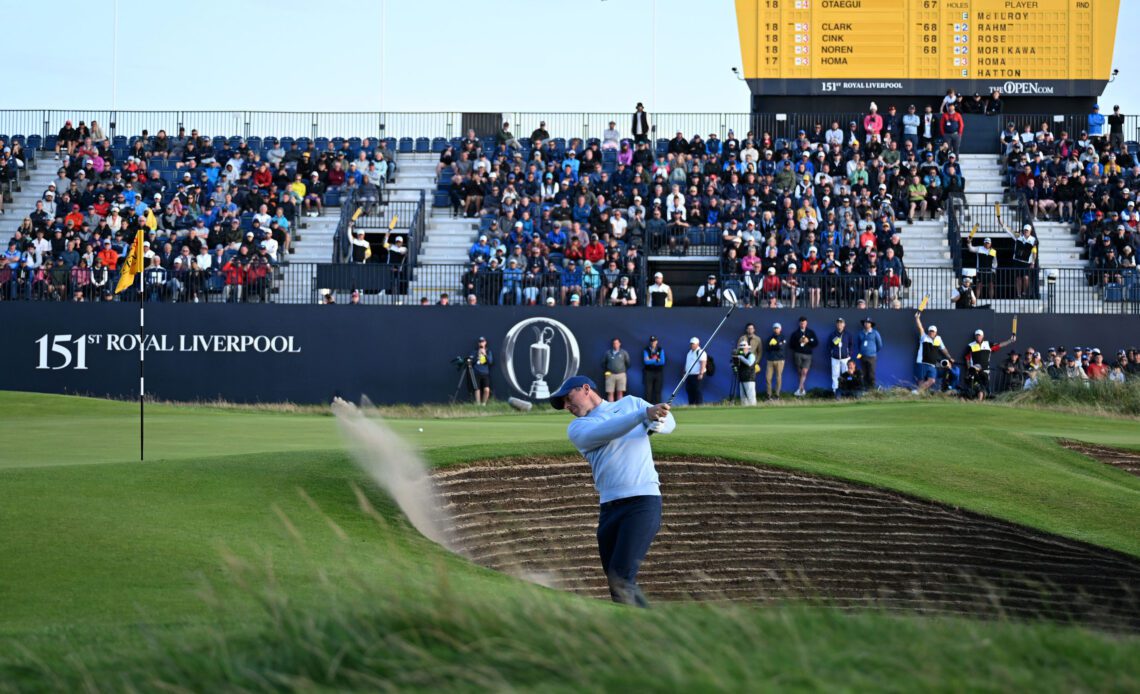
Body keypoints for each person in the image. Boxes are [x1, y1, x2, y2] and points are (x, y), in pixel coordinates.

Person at [549, 375, 675, 607]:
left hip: (643, 502)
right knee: (617, 582)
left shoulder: (631, 403)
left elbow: (669, 422)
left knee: (622, 578)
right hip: (609, 509)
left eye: (568, 399)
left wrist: (658, 423)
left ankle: (651, 633)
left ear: (586, 389)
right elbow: (607, 431)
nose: (566, 406)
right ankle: (639, 630)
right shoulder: (578, 427)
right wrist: (644, 416)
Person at [961, 329, 1016, 399]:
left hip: (985, 371)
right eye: (977, 336)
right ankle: (972, 399)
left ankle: (985, 398)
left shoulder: (988, 344)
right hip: (974, 371)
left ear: (983, 336)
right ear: (975, 336)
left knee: (985, 386)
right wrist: (969, 370)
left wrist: (1010, 341)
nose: (978, 337)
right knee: (973, 387)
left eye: (979, 335)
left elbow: (999, 345)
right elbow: (967, 358)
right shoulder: (971, 345)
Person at [913, 313, 953, 394]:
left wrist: (949, 357)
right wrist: (917, 318)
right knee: (921, 381)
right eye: (930, 331)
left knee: (932, 380)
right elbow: (920, 327)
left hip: (932, 365)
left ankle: (917, 392)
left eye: (933, 331)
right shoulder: (924, 337)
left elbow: (943, 349)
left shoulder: (938, 339)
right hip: (922, 362)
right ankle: (919, 396)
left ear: (936, 332)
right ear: (928, 332)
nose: (931, 332)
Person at [826, 317, 856, 394]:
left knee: (846, 374)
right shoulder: (833, 335)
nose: (839, 324)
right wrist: (832, 352)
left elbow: (851, 345)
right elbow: (829, 345)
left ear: (844, 324)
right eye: (838, 323)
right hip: (835, 358)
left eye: (841, 322)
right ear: (836, 324)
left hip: (845, 358)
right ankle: (835, 391)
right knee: (835, 375)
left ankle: (846, 391)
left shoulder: (848, 334)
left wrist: (849, 353)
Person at [762, 322, 787, 400]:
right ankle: (768, 395)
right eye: (775, 328)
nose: (776, 329)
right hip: (770, 360)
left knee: (778, 377)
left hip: (780, 360)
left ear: (780, 329)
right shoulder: (770, 338)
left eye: (777, 328)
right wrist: (776, 345)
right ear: (773, 329)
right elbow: (767, 348)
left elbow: (781, 347)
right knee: (768, 378)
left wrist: (774, 345)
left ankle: (777, 395)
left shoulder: (783, 337)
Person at [857, 317, 883, 389]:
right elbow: (858, 344)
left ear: (871, 324)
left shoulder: (875, 333)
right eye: (865, 322)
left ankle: (872, 390)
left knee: (871, 374)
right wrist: (861, 352)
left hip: (872, 357)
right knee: (863, 374)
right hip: (862, 356)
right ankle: (865, 389)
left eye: (868, 322)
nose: (866, 324)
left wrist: (873, 351)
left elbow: (880, 345)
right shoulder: (860, 333)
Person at [469, 337, 494, 405]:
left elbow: (490, 362)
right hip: (476, 373)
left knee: (486, 390)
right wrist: (477, 355)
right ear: (478, 343)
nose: (481, 343)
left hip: (485, 373)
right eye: (480, 342)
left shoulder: (488, 351)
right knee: (477, 389)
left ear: (485, 343)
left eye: (482, 342)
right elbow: (471, 362)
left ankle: (483, 404)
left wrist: (485, 354)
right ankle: (478, 404)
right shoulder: (474, 351)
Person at [683, 337, 707, 405]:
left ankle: (699, 405)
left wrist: (701, 373)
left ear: (697, 344)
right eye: (691, 344)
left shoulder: (701, 352)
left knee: (697, 390)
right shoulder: (689, 352)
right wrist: (684, 372)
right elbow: (687, 363)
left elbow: (703, 363)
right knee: (689, 390)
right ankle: (691, 405)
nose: (692, 345)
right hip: (689, 375)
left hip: (697, 375)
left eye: (693, 344)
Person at [733, 339, 758, 406]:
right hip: (742, 378)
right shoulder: (741, 356)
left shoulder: (751, 355)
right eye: (741, 348)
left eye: (743, 348)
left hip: (749, 378)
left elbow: (749, 363)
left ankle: (753, 410)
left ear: (747, 348)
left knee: (751, 396)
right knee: (743, 397)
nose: (742, 349)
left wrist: (741, 358)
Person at [642, 336, 665, 403]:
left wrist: (651, 360)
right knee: (648, 391)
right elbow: (646, 362)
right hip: (649, 372)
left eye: (654, 341)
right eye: (652, 341)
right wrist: (657, 359)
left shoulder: (660, 349)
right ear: (650, 342)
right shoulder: (646, 350)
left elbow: (662, 362)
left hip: (658, 372)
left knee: (657, 390)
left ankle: (658, 407)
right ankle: (647, 407)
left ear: (657, 342)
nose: (653, 343)